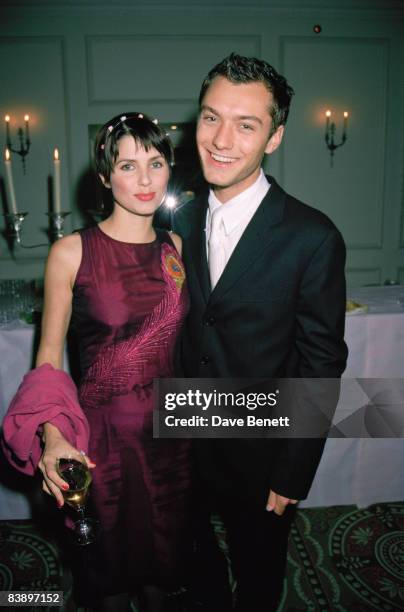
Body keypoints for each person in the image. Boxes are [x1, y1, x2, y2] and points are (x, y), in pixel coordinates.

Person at [173, 53, 348, 612]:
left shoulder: (312, 236)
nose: (221, 139)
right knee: (192, 561)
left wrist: (293, 471)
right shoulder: (172, 218)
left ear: (274, 137)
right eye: (210, 117)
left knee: (258, 572)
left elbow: (320, 365)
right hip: (177, 437)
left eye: (246, 124)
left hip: (261, 451)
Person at [7, 113, 191, 612]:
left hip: (171, 442)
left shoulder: (175, 248)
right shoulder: (70, 252)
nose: (147, 179)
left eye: (156, 163)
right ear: (105, 177)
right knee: (108, 578)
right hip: (104, 445)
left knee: (162, 575)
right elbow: (47, 358)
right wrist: (52, 434)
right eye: (128, 165)